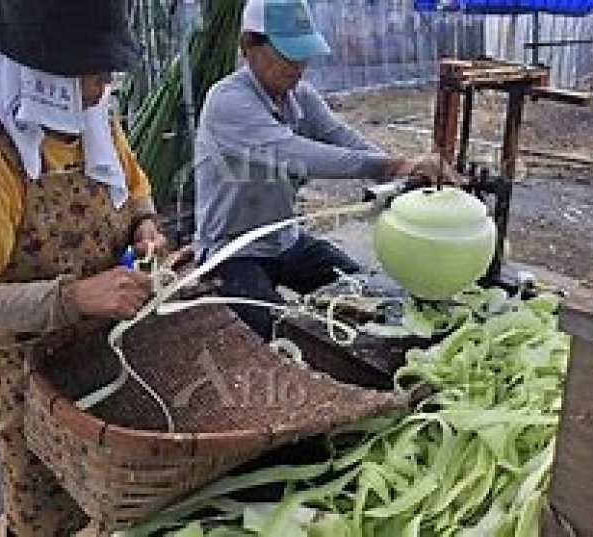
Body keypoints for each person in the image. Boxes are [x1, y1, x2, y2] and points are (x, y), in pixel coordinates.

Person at [0, 1, 168, 534]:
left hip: (108, 349)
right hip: (28, 377)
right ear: (35, 74)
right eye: (90, 75)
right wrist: (74, 297)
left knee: (121, 492)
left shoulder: (91, 121)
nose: (99, 89)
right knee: (46, 508)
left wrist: (145, 229)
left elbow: (136, 193)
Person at [195, 0, 457, 340]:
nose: (298, 65)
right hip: (235, 249)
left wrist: (401, 173)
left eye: (303, 54)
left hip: (284, 241)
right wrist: (395, 165)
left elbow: (341, 137)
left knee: (364, 292)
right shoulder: (228, 101)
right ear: (249, 46)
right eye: (288, 54)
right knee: (278, 336)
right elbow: (300, 155)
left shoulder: (298, 95)